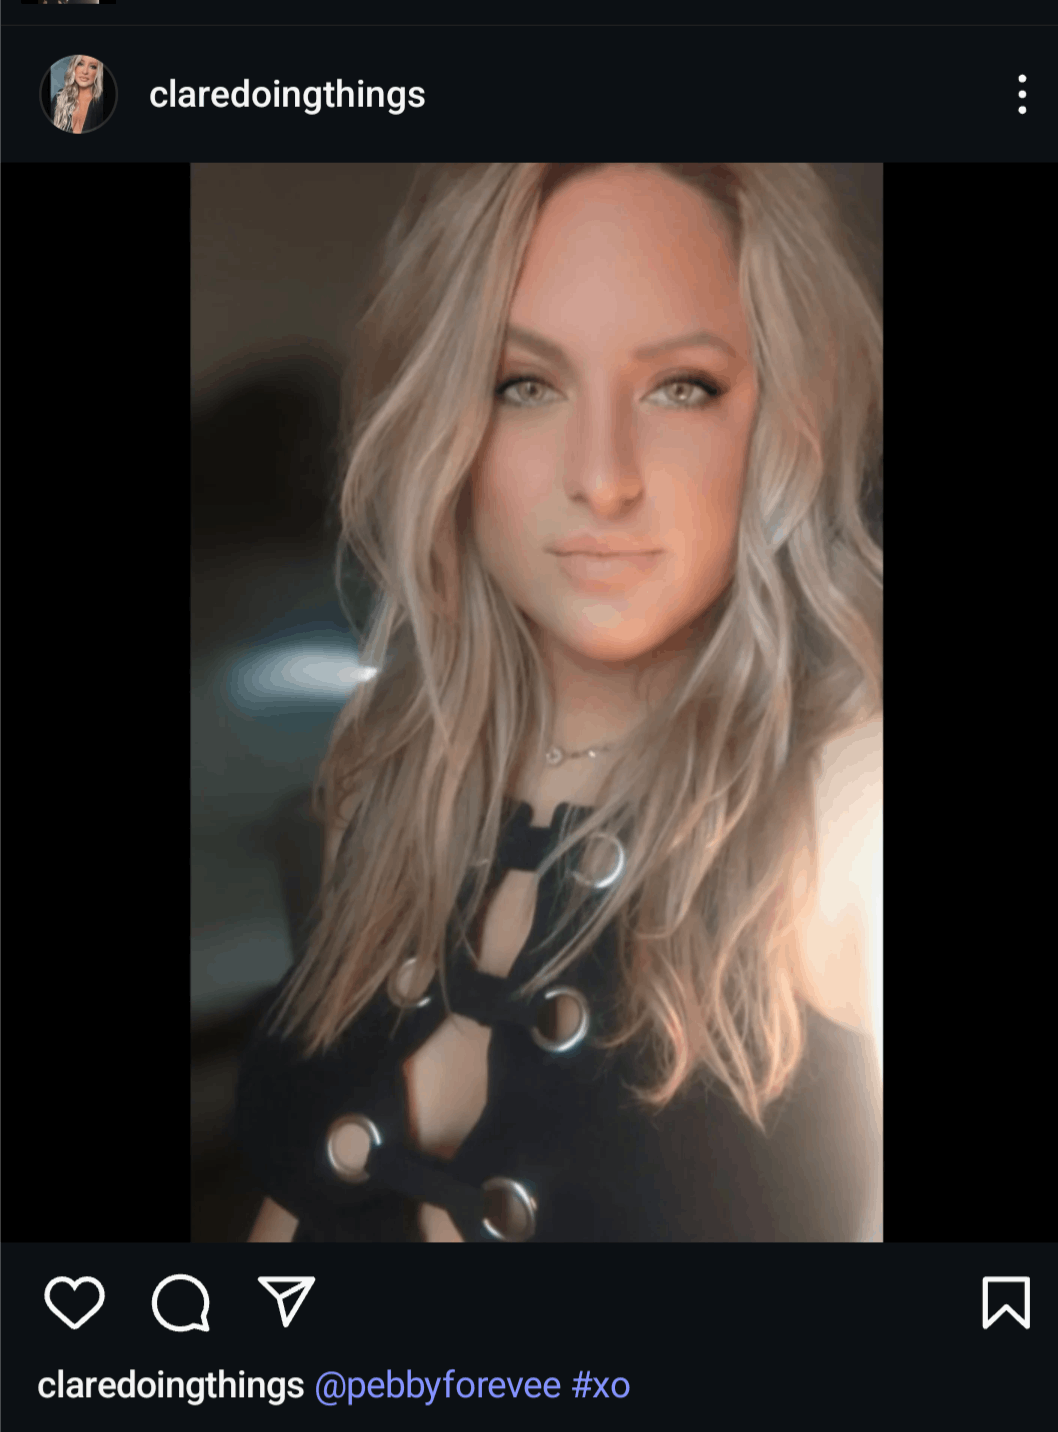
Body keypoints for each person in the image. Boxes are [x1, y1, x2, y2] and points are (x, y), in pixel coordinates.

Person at [234, 163, 884, 1243]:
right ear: (446, 415)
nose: (602, 476)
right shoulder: (387, 767)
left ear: (786, 416)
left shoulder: (845, 806)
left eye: (682, 386)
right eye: (525, 384)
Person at [49, 56, 104, 133]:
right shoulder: (59, 98)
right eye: (80, 64)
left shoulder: (102, 104)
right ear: (73, 67)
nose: (85, 72)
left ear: (99, 72)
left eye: (93, 67)